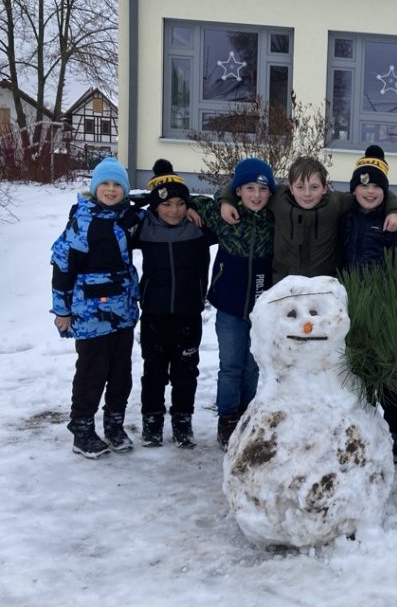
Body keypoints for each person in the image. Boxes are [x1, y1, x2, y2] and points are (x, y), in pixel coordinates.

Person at [50, 157, 146, 458]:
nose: (111, 189)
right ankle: (82, 430)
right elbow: (62, 266)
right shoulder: (83, 221)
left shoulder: (126, 217)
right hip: (90, 314)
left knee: (121, 372)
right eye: (105, 183)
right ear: (94, 188)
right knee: (92, 372)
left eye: (117, 184)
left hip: (123, 312)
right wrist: (62, 311)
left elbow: (155, 208)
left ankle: (114, 425)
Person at [341, 146, 397, 465]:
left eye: (377, 187)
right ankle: (361, 435)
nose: (370, 192)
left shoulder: (396, 225)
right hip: (351, 311)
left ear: (385, 191)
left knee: (391, 379)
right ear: (354, 189)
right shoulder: (343, 218)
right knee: (356, 376)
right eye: (363, 185)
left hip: (385, 314)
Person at [131, 160, 217, 448]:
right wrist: (144, 202)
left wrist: (195, 206)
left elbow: (217, 207)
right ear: (155, 207)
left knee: (186, 371)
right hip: (154, 313)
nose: (174, 210)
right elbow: (119, 214)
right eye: (166, 205)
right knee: (153, 370)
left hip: (188, 312)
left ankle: (182, 420)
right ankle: (152, 420)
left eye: (181, 204)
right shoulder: (143, 229)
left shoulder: (198, 229)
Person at [191, 158, 275, 449]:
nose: (256, 195)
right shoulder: (226, 215)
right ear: (238, 190)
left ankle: (246, 413)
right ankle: (227, 417)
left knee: (252, 365)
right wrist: (221, 201)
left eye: (263, 189)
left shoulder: (275, 218)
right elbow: (190, 201)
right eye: (249, 188)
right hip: (229, 306)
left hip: (261, 309)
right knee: (230, 365)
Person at [217, 153, 397, 283]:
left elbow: (368, 194)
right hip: (283, 284)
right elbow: (243, 184)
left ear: (325, 188)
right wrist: (226, 200)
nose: (307, 193)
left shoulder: (336, 203)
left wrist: (394, 210)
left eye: (314, 187)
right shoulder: (278, 198)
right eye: (300, 187)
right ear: (290, 187)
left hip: (323, 286)